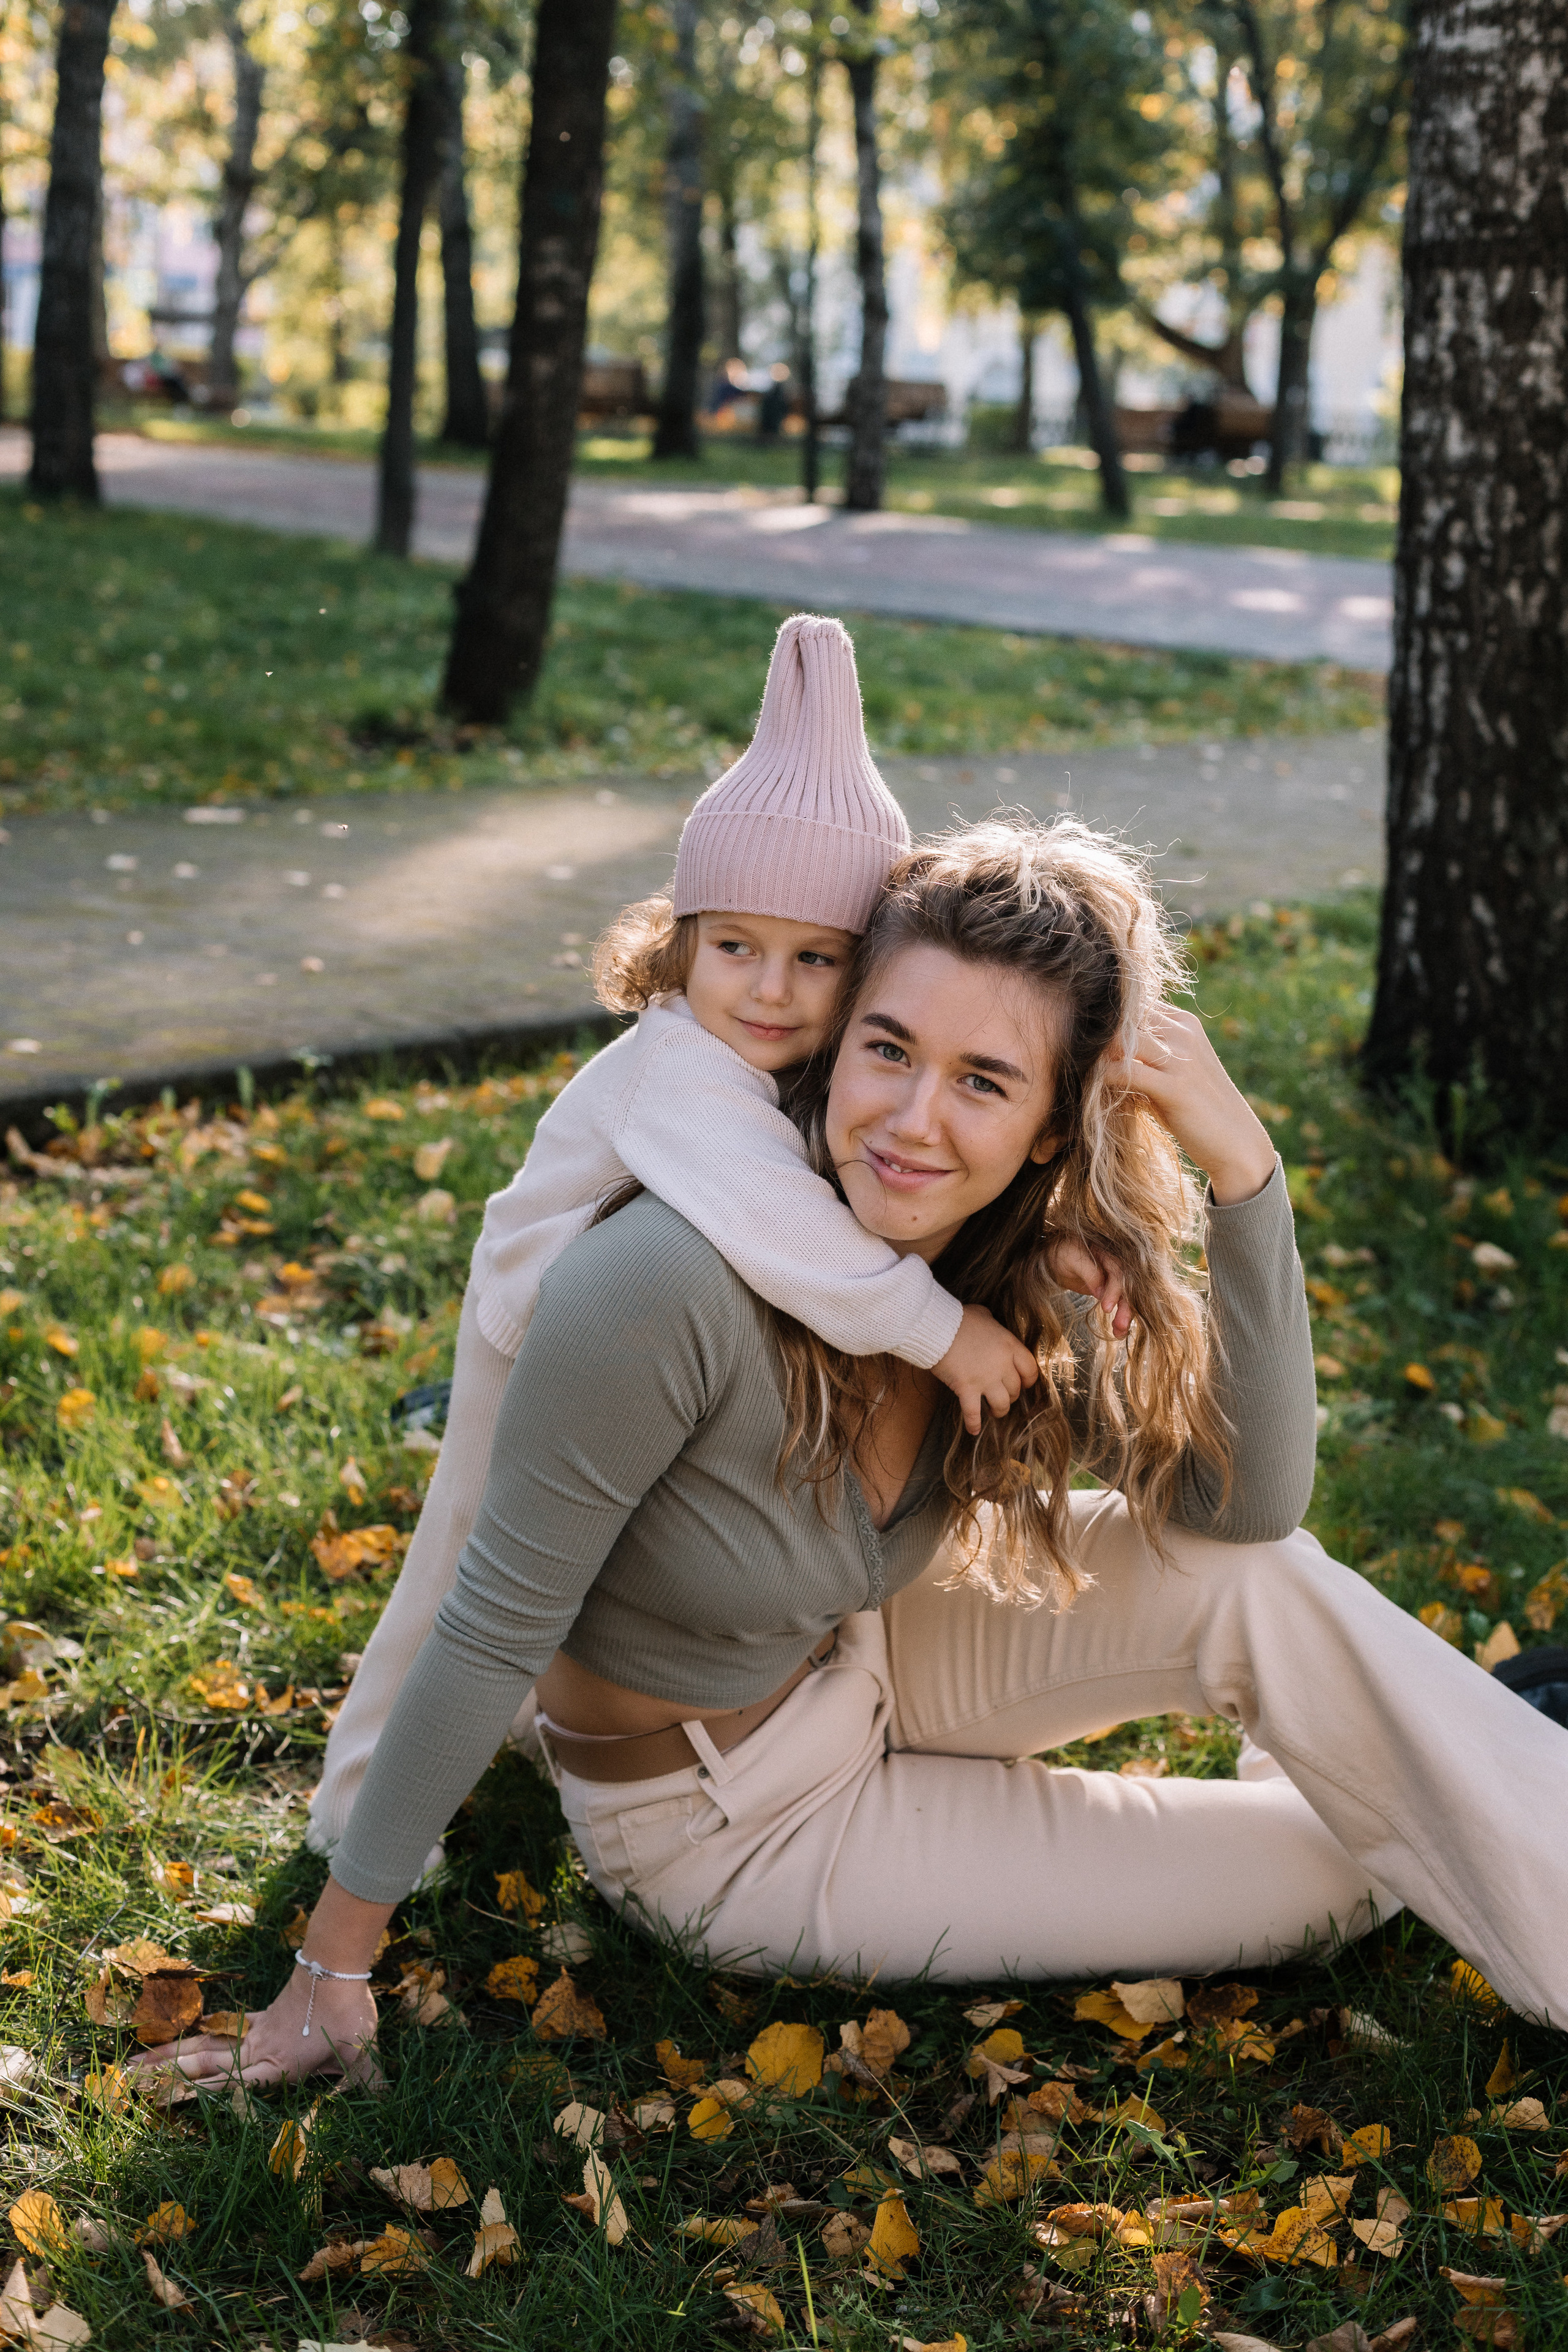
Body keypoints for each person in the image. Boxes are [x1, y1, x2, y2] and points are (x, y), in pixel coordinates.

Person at [133, 821, 1567, 2092]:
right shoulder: (662, 1284)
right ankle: (1469, 1759)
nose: (909, 1121)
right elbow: (488, 1624)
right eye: (886, 1049)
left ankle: (1477, 1774)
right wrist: (329, 1969)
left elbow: (1242, 1513)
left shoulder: (1008, 1262)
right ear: (835, 1039)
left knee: (1275, 1594)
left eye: (982, 1081)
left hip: (865, 1659)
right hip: (727, 1818)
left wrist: (1245, 1176)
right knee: (1351, 1870)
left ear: (1049, 1124)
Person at [304, 614, 1101, 1861]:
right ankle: (352, 1814)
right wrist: (939, 1331)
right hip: (532, 1329)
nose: (771, 992)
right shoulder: (676, 1066)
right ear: (682, 942)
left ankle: (507, 1724)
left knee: (580, 1551)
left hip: (630, 1337)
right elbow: (776, 1224)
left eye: (815, 959)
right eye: (735, 948)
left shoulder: (764, 1052)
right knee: (465, 1568)